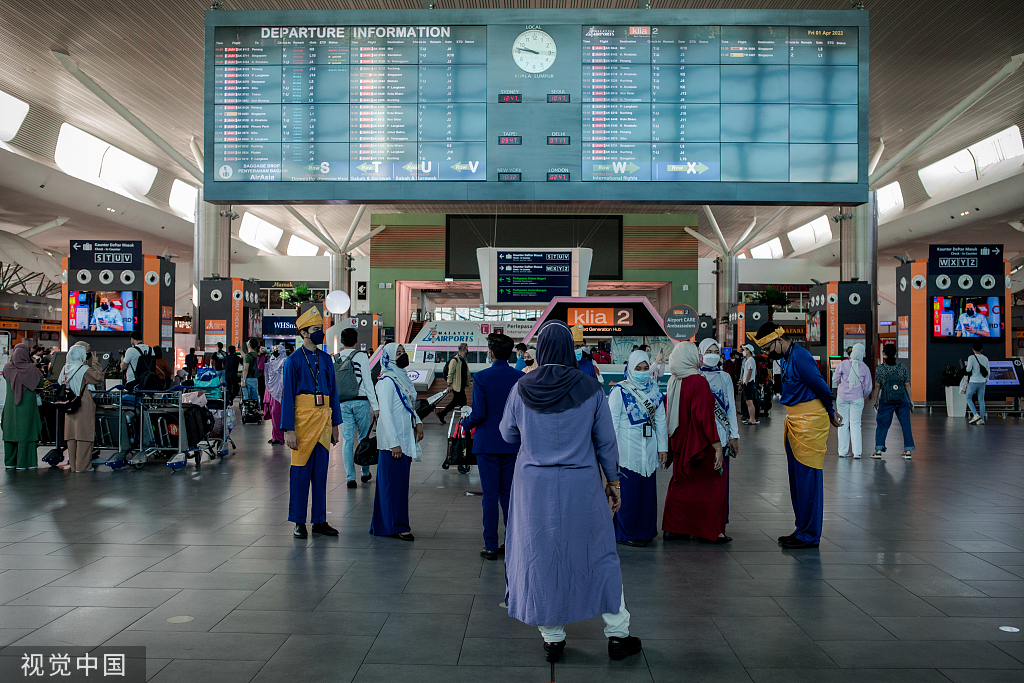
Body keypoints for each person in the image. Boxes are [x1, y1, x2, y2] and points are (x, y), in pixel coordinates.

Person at [499, 321, 641, 664]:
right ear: (568, 348)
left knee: (541, 556)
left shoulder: (521, 388)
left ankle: (552, 639)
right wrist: (614, 483)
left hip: (534, 489)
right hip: (583, 486)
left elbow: (507, 434)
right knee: (600, 554)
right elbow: (606, 443)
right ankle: (618, 634)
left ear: (542, 349)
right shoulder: (591, 388)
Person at [750, 322, 840, 550]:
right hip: (795, 421)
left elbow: (820, 386)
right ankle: (801, 529)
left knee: (808, 479)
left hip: (809, 423)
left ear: (779, 340)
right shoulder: (787, 357)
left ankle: (810, 535)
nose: (767, 354)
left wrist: (831, 411)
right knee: (797, 479)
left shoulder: (800, 357)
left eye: (768, 348)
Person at [281, 307, 342, 539]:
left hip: (324, 423)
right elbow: (287, 396)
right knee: (300, 473)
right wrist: (289, 429)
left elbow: (333, 393)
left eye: (321, 329)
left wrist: (335, 425)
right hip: (302, 424)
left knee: (320, 474)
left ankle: (319, 520)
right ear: (304, 333)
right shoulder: (293, 361)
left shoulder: (326, 359)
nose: (320, 334)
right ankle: (299, 521)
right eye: (316, 330)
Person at [461, 333, 523, 560]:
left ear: (491, 353)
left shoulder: (481, 377)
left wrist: (465, 424)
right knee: (508, 494)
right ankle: (510, 543)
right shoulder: (519, 378)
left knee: (490, 494)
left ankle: (490, 545)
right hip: (512, 443)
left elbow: (478, 413)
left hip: (487, 443)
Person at [661, 342, 730, 544]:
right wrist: (717, 445)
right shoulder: (698, 381)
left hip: (679, 442)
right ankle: (709, 531)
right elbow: (703, 417)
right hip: (699, 444)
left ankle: (674, 528)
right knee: (713, 485)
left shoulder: (674, 380)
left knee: (681, 485)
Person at [608, 349, 667, 548]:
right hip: (626, 451)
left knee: (646, 494)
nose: (642, 371)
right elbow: (612, 424)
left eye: (645, 367)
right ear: (630, 369)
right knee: (629, 494)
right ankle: (626, 533)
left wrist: (663, 447)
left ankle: (646, 531)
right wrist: (611, 453)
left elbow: (660, 421)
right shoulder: (619, 391)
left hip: (649, 450)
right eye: (638, 368)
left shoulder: (655, 391)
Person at [372, 342, 423, 541]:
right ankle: (398, 526)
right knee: (394, 486)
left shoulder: (401, 379)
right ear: (389, 358)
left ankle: (384, 524)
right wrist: (394, 443)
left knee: (395, 485)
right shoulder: (386, 382)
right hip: (393, 444)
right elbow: (384, 414)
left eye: (403, 352)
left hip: (404, 440)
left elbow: (409, 406)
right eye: (398, 353)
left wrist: (418, 422)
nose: (403, 356)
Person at [337, 327, 379, 488]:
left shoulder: (337, 357)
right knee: (363, 438)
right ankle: (365, 472)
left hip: (343, 404)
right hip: (361, 402)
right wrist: (375, 406)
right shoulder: (361, 356)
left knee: (347, 441)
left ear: (341, 341)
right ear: (356, 340)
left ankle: (350, 477)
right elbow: (368, 382)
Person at [59, 343, 105, 472]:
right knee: (84, 433)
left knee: (72, 435)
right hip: (83, 402)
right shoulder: (83, 369)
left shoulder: (65, 368)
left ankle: (73, 465)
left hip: (69, 403)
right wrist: (95, 363)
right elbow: (98, 378)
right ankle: (83, 466)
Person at [2, 343, 43, 470]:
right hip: (27, 408)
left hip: (10, 408)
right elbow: (40, 383)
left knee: (10, 432)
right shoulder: (32, 370)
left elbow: (5, 377)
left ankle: (10, 462)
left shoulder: (7, 368)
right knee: (27, 432)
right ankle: (26, 462)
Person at [698, 338, 740, 462]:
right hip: (701, 435)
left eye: (716, 352)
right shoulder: (696, 376)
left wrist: (734, 435)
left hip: (722, 433)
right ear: (701, 353)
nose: (713, 355)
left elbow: (731, 407)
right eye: (709, 351)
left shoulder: (725, 377)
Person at [873, 343, 915, 459]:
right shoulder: (902, 367)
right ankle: (908, 451)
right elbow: (906, 384)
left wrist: (875, 400)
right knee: (906, 425)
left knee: (882, 424)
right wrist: (911, 400)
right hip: (902, 399)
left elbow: (877, 385)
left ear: (884, 354)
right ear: (895, 353)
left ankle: (878, 450)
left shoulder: (880, 368)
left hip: (886, 400)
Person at [832, 343, 872, 459]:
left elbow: (835, 379)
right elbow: (868, 387)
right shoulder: (864, 367)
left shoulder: (843, 364)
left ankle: (843, 451)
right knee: (856, 424)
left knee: (842, 423)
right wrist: (861, 396)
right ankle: (857, 453)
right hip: (857, 398)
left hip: (842, 397)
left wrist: (843, 384)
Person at [438, 342, 471, 424]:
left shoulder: (464, 360)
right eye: (467, 348)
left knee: (455, 402)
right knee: (463, 403)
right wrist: (449, 385)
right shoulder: (454, 360)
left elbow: (467, 372)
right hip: (456, 386)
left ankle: (442, 414)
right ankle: (464, 422)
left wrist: (470, 380)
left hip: (461, 385)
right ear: (463, 349)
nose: (468, 350)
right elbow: (450, 374)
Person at [265, 344, 287, 444]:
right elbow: (261, 367)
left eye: (276, 349)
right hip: (272, 391)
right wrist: (262, 355)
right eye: (274, 349)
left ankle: (279, 438)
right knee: (273, 415)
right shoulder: (273, 362)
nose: (274, 351)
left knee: (277, 414)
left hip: (280, 391)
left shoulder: (284, 361)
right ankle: (275, 436)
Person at [965, 340, 990, 425]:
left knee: (968, 397)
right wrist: (985, 380)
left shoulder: (971, 358)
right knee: (981, 400)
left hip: (973, 381)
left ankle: (975, 414)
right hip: (982, 381)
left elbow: (968, 369)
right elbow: (988, 372)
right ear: (981, 349)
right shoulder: (985, 358)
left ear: (973, 349)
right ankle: (981, 419)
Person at [739, 344, 759, 425]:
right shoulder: (748, 360)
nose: (743, 351)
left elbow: (750, 371)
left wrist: (746, 382)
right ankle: (751, 418)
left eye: (745, 350)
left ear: (749, 351)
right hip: (748, 383)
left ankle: (752, 419)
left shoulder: (750, 360)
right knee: (748, 401)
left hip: (749, 383)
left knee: (750, 401)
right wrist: (742, 380)